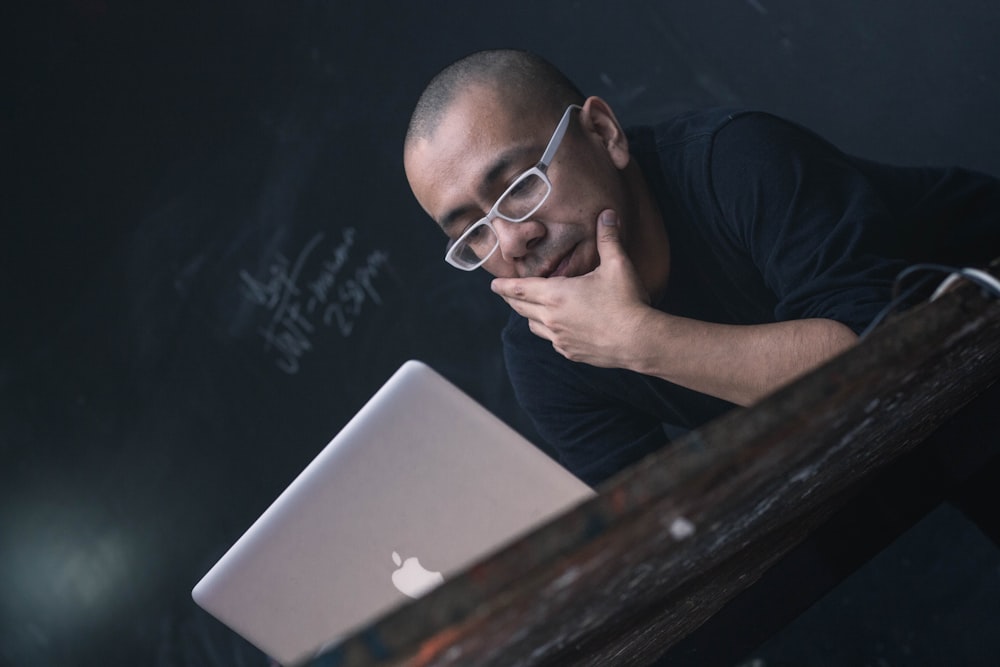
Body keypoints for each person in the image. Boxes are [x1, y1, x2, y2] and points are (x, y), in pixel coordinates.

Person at [403, 49, 1000, 486]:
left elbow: (885, 363)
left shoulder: (737, 161)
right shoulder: (543, 348)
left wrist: (638, 339)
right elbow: (642, 524)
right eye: (473, 233)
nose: (513, 240)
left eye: (521, 185)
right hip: (907, 444)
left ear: (603, 132)